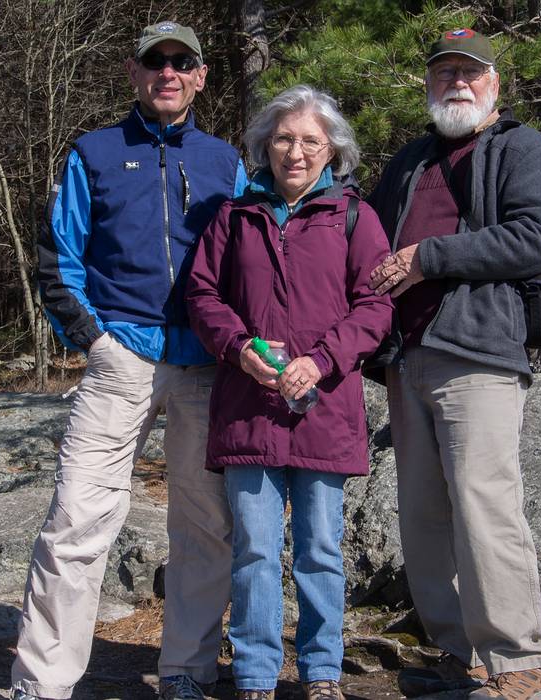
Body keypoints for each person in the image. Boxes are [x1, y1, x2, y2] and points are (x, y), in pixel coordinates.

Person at [11, 21, 248, 700]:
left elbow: (244, 264)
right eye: (155, 62)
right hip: (119, 360)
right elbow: (59, 257)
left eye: (182, 63)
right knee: (76, 519)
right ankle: (43, 683)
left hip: (206, 366)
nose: (167, 73)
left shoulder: (224, 161)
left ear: (201, 75)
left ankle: (186, 672)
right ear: (133, 73)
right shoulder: (93, 152)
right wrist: (93, 340)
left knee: (206, 526)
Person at [365, 29, 541, 700]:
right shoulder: (407, 161)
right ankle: (459, 657)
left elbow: (534, 239)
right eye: (443, 72)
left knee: (484, 507)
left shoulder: (523, 150)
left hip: (478, 351)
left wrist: (427, 257)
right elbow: (365, 238)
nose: (456, 81)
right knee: (421, 514)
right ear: (427, 85)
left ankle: (515, 662)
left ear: (493, 85)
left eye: (469, 72)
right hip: (405, 355)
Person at [187, 85, 394, 700]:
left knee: (321, 550)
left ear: (332, 148)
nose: (295, 152)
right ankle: (254, 672)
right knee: (253, 548)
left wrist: (324, 359)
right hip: (248, 408)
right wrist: (237, 349)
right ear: (263, 146)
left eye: (309, 140)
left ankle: (322, 672)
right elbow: (202, 296)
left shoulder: (356, 216)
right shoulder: (233, 215)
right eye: (283, 139)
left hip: (324, 409)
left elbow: (376, 306)